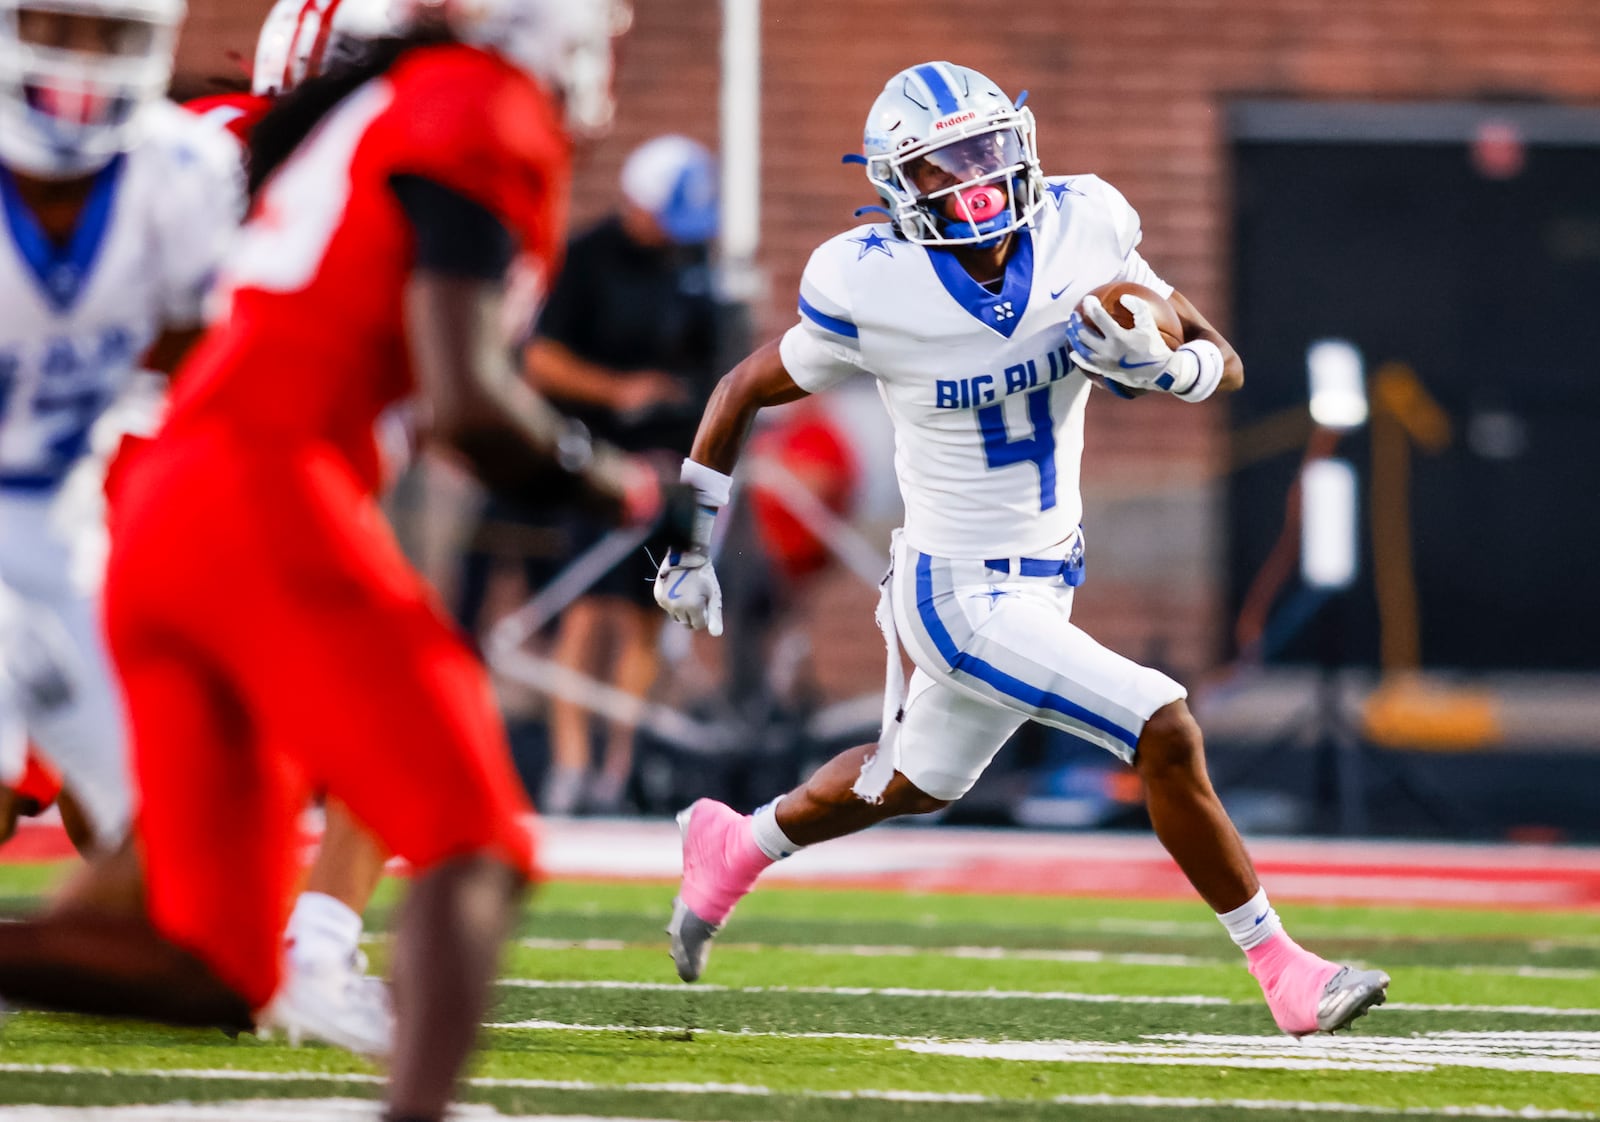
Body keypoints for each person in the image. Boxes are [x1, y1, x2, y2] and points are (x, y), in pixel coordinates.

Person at [0, 6, 675, 1122]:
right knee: (476, 836)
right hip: (257, 487)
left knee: (210, 963)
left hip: (169, 493)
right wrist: (609, 482)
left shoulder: (313, 125)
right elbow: (464, 402)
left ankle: (300, 955)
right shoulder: (471, 107)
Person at [655, 61, 1391, 1039]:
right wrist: (689, 544)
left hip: (1049, 578)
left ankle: (734, 842)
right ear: (891, 188)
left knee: (910, 781)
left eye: (982, 151)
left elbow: (1222, 359)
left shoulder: (1086, 225)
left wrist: (1168, 364)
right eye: (937, 168)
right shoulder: (872, 284)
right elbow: (741, 388)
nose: (971, 182)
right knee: (1161, 724)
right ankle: (1282, 969)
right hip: (950, 592)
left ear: (1019, 142)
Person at [0, 0, 242, 858]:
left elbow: (198, 361)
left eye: (108, 34)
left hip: (66, 528)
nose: (81, 60)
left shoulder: (183, 168)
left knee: (160, 845)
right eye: (57, 28)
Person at [518, 133, 722, 816]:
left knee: (646, 615)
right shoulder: (589, 258)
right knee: (587, 611)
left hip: (671, 469)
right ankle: (571, 766)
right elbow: (541, 360)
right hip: (597, 463)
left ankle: (619, 767)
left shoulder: (694, 263)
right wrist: (618, 392)